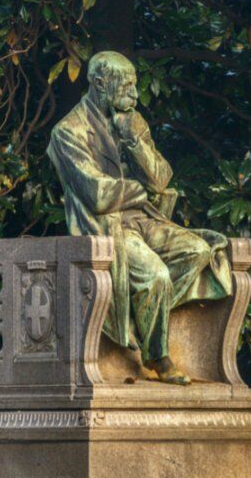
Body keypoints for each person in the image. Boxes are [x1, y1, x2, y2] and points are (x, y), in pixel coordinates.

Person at [47, 51, 231, 385]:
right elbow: (97, 195)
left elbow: (161, 178)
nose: (134, 93)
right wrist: (138, 190)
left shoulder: (132, 120)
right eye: (127, 85)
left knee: (200, 251)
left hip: (146, 220)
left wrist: (133, 138)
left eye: (135, 84)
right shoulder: (68, 132)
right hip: (109, 227)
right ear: (101, 84)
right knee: (158, 276)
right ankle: (158, 357)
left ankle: (140, 312)